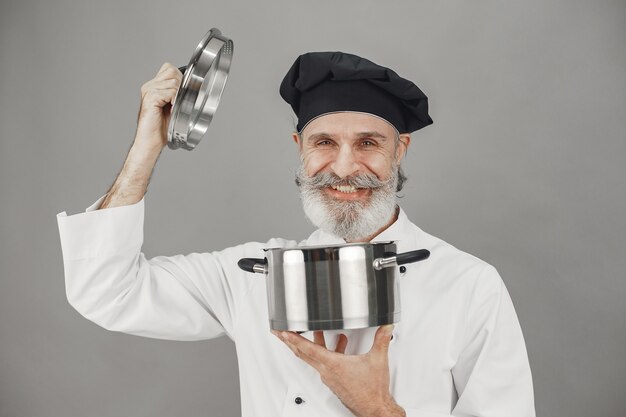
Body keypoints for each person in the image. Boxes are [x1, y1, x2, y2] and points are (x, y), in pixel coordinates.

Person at [57, 52, 535, 417]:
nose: (345, 168)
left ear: (400, 151)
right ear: (300, 149)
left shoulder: (468, 284)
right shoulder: (251, 274)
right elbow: (106, 291)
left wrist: (378, 409)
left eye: (368, 143)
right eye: (324, 143)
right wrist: (147, 146)